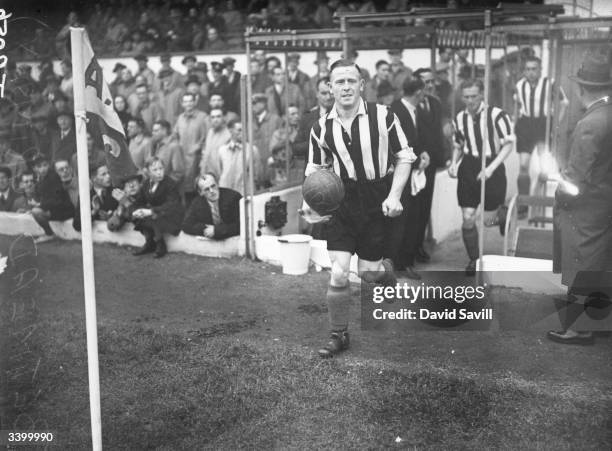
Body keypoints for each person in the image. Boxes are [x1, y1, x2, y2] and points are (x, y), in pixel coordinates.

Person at [302, 59, 415, 358]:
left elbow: (404, 156)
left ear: (362, 84)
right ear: (330, 87)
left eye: (352, 80)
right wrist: (309, 205)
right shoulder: (321, 127)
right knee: (338, 273)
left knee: (367, 274)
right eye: (339, 81)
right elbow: (314, 168)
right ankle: (338, 334)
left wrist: (394, 196)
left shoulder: (384, 116)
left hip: (375, 198)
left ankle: (385, 272)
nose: (346, 87)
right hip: (341, 200)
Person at [548, 56, 612, 345]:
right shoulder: (608, 114)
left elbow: (575, 178)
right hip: (604, 203)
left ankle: (576, 328)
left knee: (580, 262)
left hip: (585, 207)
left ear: (581, 88)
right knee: (598, 261)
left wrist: (560, 192)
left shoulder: (590, 123)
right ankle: (595, 321)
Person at [448, 79, 515, 276]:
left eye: (474, 96)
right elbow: (458, 145)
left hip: (492, 165)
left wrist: (491, 168)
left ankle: (501, 215)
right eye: (466, 97)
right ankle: (474, 260)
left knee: (487, 221)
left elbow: (508, 145)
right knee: (468, 217)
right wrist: (453, 163)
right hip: (469, 167)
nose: (470, 101)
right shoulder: (459, 118)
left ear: (482, 95)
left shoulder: (497, 115)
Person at [514, 55, 568, 217]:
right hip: (525, 125)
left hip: (543, 124)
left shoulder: (549, 83)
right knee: (523, 165)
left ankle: (542, 204)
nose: (531, 72)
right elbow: (517, 105)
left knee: (544, 165)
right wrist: (514, 123)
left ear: (540, 70)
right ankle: (523, 204)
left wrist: (555, 125)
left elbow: (564, 102)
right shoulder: (519, 85)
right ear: (524, 71)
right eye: (528, 69)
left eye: (534, 69)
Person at [387, 77, 429, 280]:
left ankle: (404, 262)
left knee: (412, 218)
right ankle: (396, 265)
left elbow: (414, 140)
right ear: (419, 92)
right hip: (397, 176)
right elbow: (394, 146)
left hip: (412, 172)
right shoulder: (394, 111)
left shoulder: (415, 110)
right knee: (399, 221)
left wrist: (421, 153)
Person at [413, 67, 448, 262]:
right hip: (416, 163)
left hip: (431, 163)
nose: (430, 85)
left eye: (432, 82)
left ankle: (419, 246)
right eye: (426, 82)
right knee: (414, 207)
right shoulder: (411, 105)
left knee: (425, 206)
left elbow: (438, 134)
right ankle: (412, 247)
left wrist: (442, 158)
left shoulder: (435, 103)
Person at [132, 157, 184, 258]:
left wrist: (151, 211)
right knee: (138, 217)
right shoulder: (146, 184)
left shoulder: (170, 184)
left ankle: (160, 244)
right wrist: (138, 211)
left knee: (154, 217)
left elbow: (171, 205)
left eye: (161, 168)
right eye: (155, 170)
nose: (159, 172)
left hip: (172, 216)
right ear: (147, 171)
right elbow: (139, 201)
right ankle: (149, 242)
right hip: (158, 214)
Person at [173, 93, 209, 204]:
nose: (188, 104)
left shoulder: (203, 117)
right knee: (182, 188)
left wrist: (197, 147)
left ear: (195, 102)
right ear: (182, 104)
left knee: (195, 187)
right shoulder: (180, 118)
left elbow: (206, 137)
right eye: (185, 101)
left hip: (196, 158)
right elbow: (175, 135)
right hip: (181, 157)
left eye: (190, 101)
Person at [182, 173, 242, 240]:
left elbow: (241, 225)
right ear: (200, 192)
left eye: (213, 186)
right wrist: (206, 229)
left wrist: (216, 230)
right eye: (207, 189)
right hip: (212, 243)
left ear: (217, 184)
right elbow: (186, 225)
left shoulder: (233, 197)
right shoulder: (197, 202)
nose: (212, 191)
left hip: (234, 240)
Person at [31, 154, 74, 243]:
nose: (43, 169)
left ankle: (49, 234)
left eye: (45, 165)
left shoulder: (53, 177)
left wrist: (40, 205)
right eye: (39, 166)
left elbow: (57, 200)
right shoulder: (39, 179)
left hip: (64, 210)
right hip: (54, 209)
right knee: (34, 210)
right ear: (34, 168)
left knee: (36, 212)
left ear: (48, 165)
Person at [215, 120, 260, 196]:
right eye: (239, 130)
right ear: (230, 131)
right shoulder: (222, 150)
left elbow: (256, 174)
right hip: (226, 191)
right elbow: (219, 171)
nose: (243, 133)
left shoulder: (252, 150)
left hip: (244, 192)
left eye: (244, 130)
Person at [252, 93, 283, 187]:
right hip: (257, 165)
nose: (252, 106)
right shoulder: (250, 122)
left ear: (263, 104)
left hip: (272, 165)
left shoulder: (275, 119)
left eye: (254, 103)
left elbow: (281, 142)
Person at [150, 120, 185, 185]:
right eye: (153, 131)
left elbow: (178, 173)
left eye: (156, 131)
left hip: (170, 190)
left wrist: (164, 186)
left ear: (164, 131)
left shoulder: (174, 146)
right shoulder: (158, 145)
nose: (153, 133)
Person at [200, 108, 231, 179]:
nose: (215, 120)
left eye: (218, 116)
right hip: (209, 175)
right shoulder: (210, 132)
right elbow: (206, 154)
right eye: (213, 117)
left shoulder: (228, 135)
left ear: (224, 118)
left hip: (222, 176)